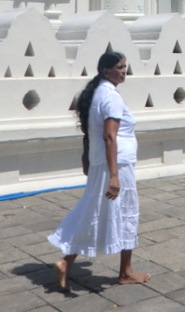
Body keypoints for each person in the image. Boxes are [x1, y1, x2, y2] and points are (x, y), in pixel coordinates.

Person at [48, 51, 151, 292]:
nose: (124, 71)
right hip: (115, 165)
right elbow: (108, 135)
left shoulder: (99, 93)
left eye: (125, 66)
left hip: (102, 164)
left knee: (94, 212)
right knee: (125, 213)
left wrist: (89, 160)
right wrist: (114, 175)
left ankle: (69, 262)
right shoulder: (110, 97)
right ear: (105, 70)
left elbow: (91, 132)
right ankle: (124, 272)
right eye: (119, 67)